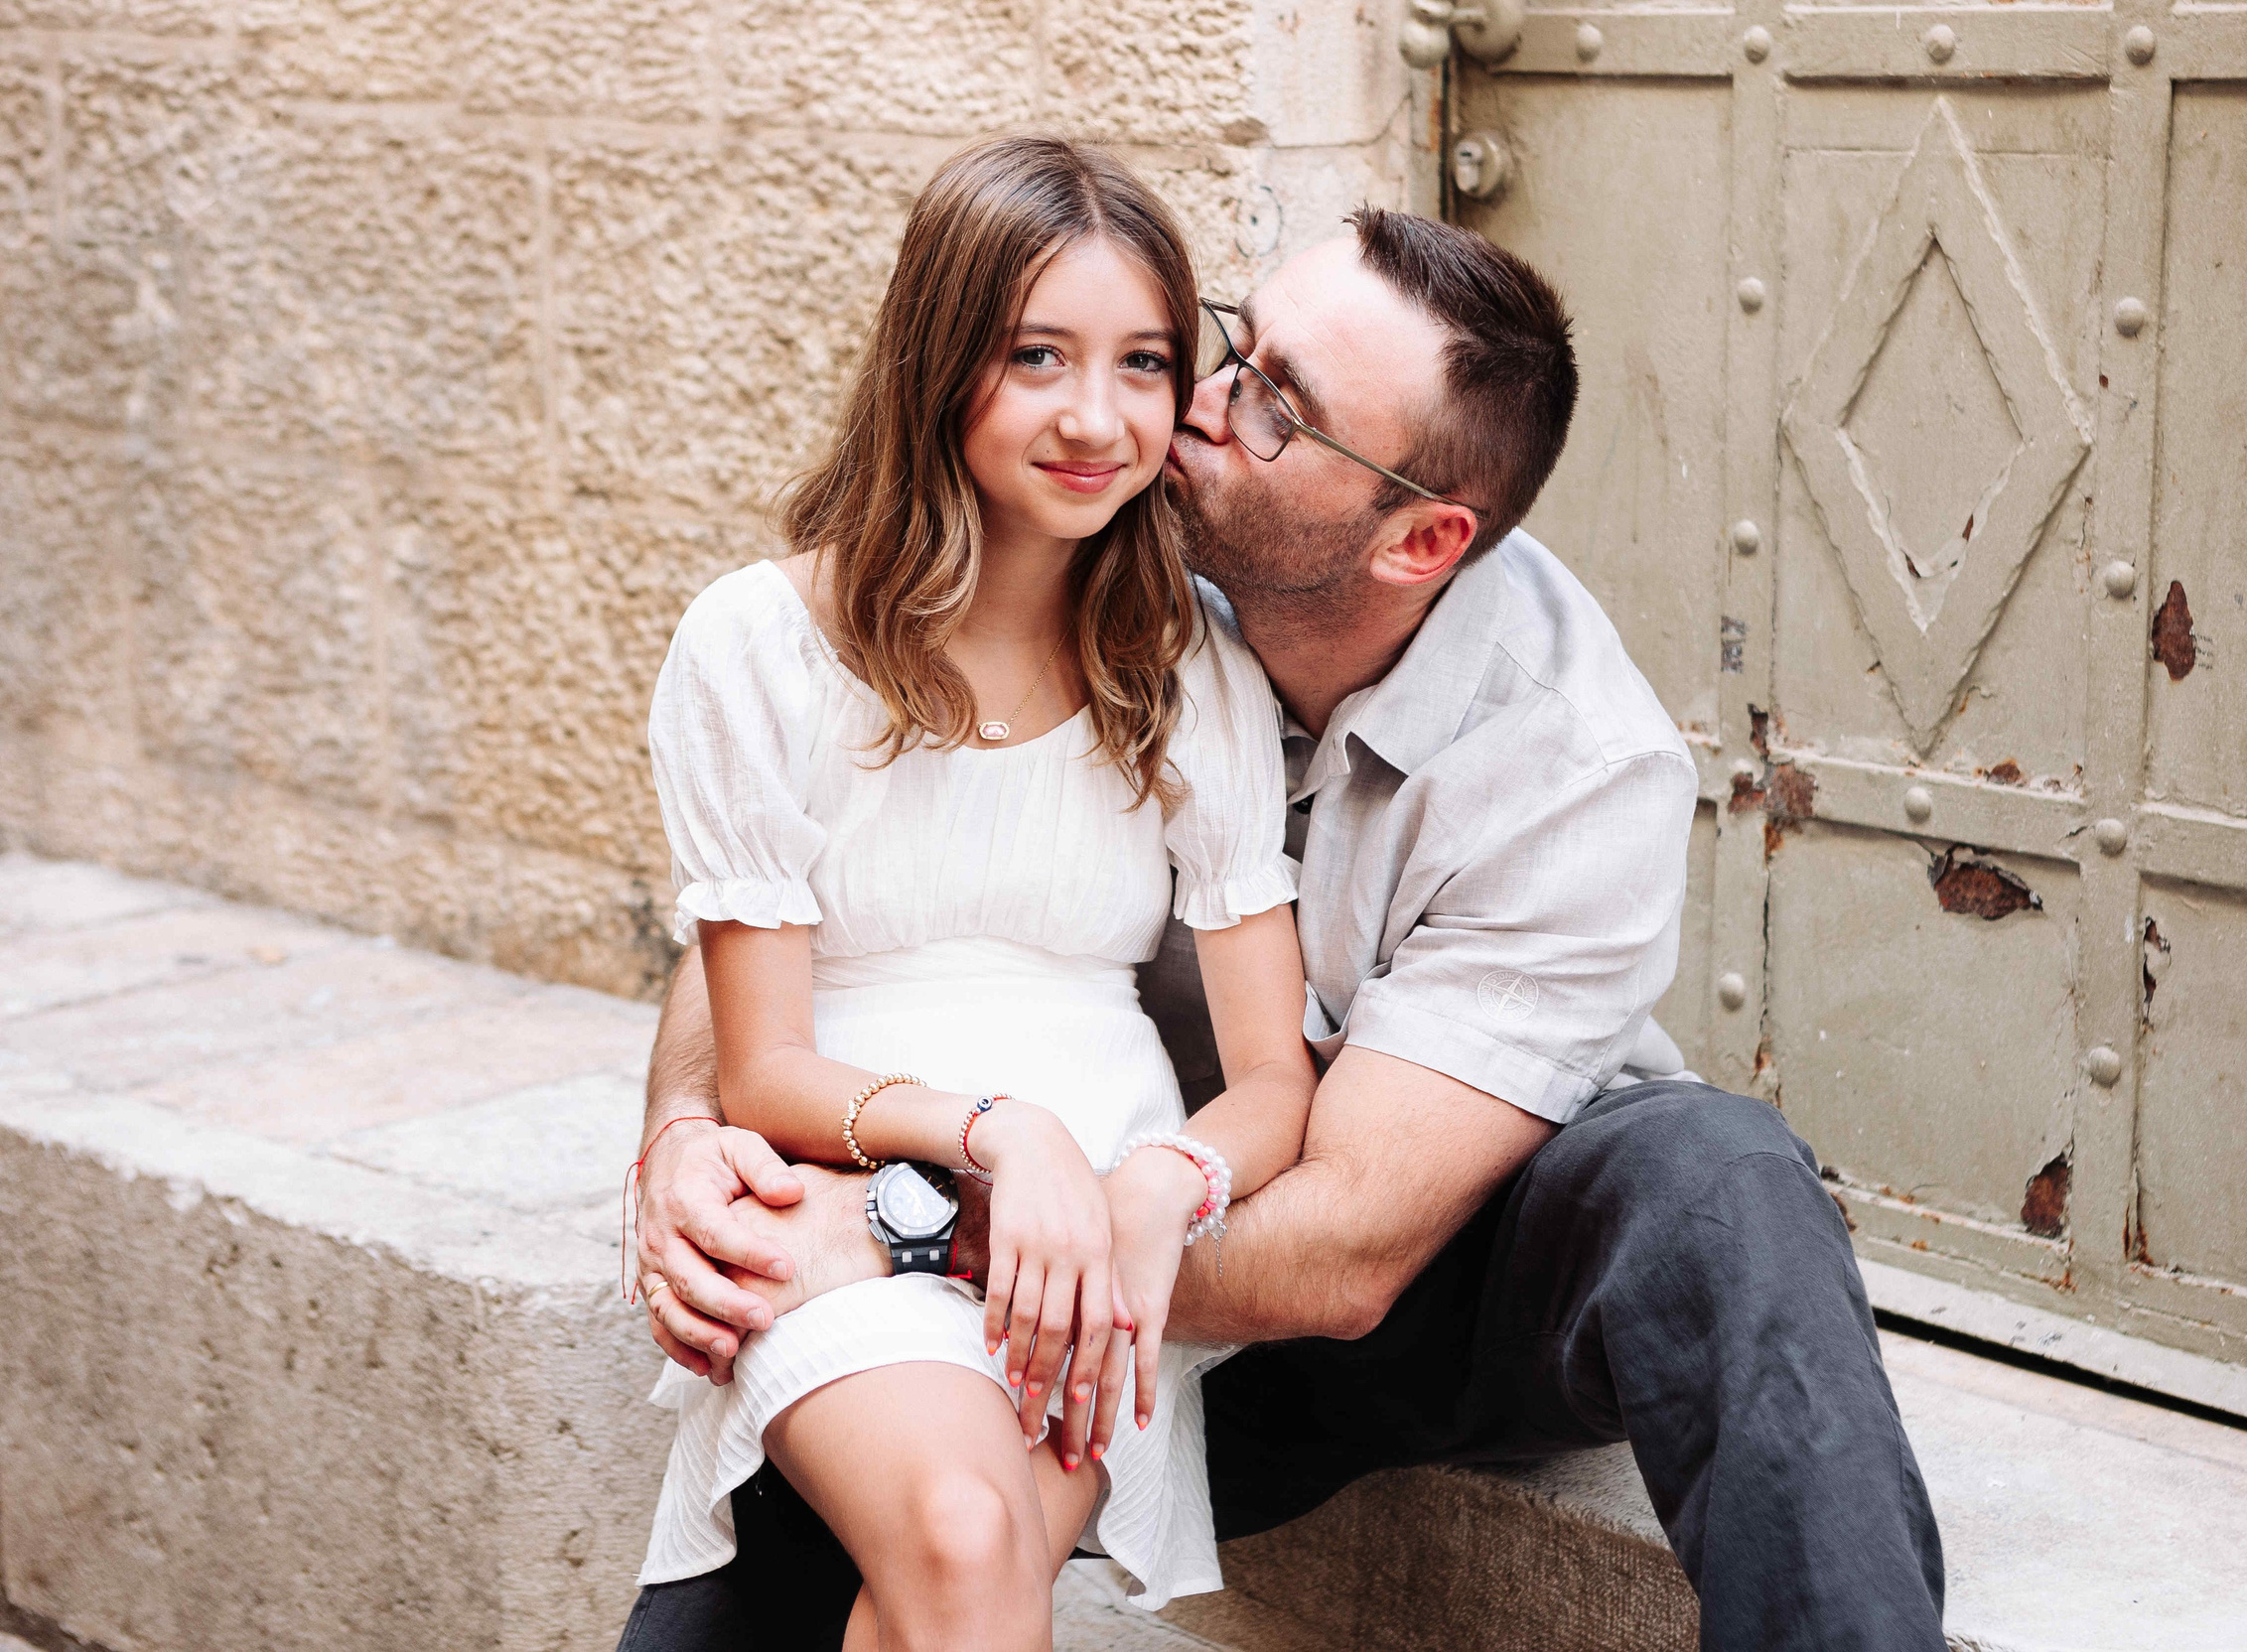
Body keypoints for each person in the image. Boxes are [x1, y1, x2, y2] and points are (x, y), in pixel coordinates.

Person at [625, 201, 1950, 1651]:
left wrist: (902, 1230)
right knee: (860, 1553)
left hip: (1366, 1285)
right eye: (1231, 350)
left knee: (1720, 1176)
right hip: (1070, 1240)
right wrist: (690, 1138)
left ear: (1421, 535)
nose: (1185, 407)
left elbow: (1342, 1257)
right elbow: (814, 879)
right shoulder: (1112, 545)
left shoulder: (1577, 766)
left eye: (1271, 405)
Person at [631, 133, 1324, 1652]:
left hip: (1090, 1263)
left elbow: (1274, 1078)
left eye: (1144, 362)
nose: (1099, 417)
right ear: (942, 364)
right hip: (852, 1199)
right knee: (957, 1535)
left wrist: (1148, 1186)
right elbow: (764, 1067)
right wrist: (1006, 1133)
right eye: (1036, 357)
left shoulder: (1186, 663)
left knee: (962, 1576)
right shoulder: (761, 646)